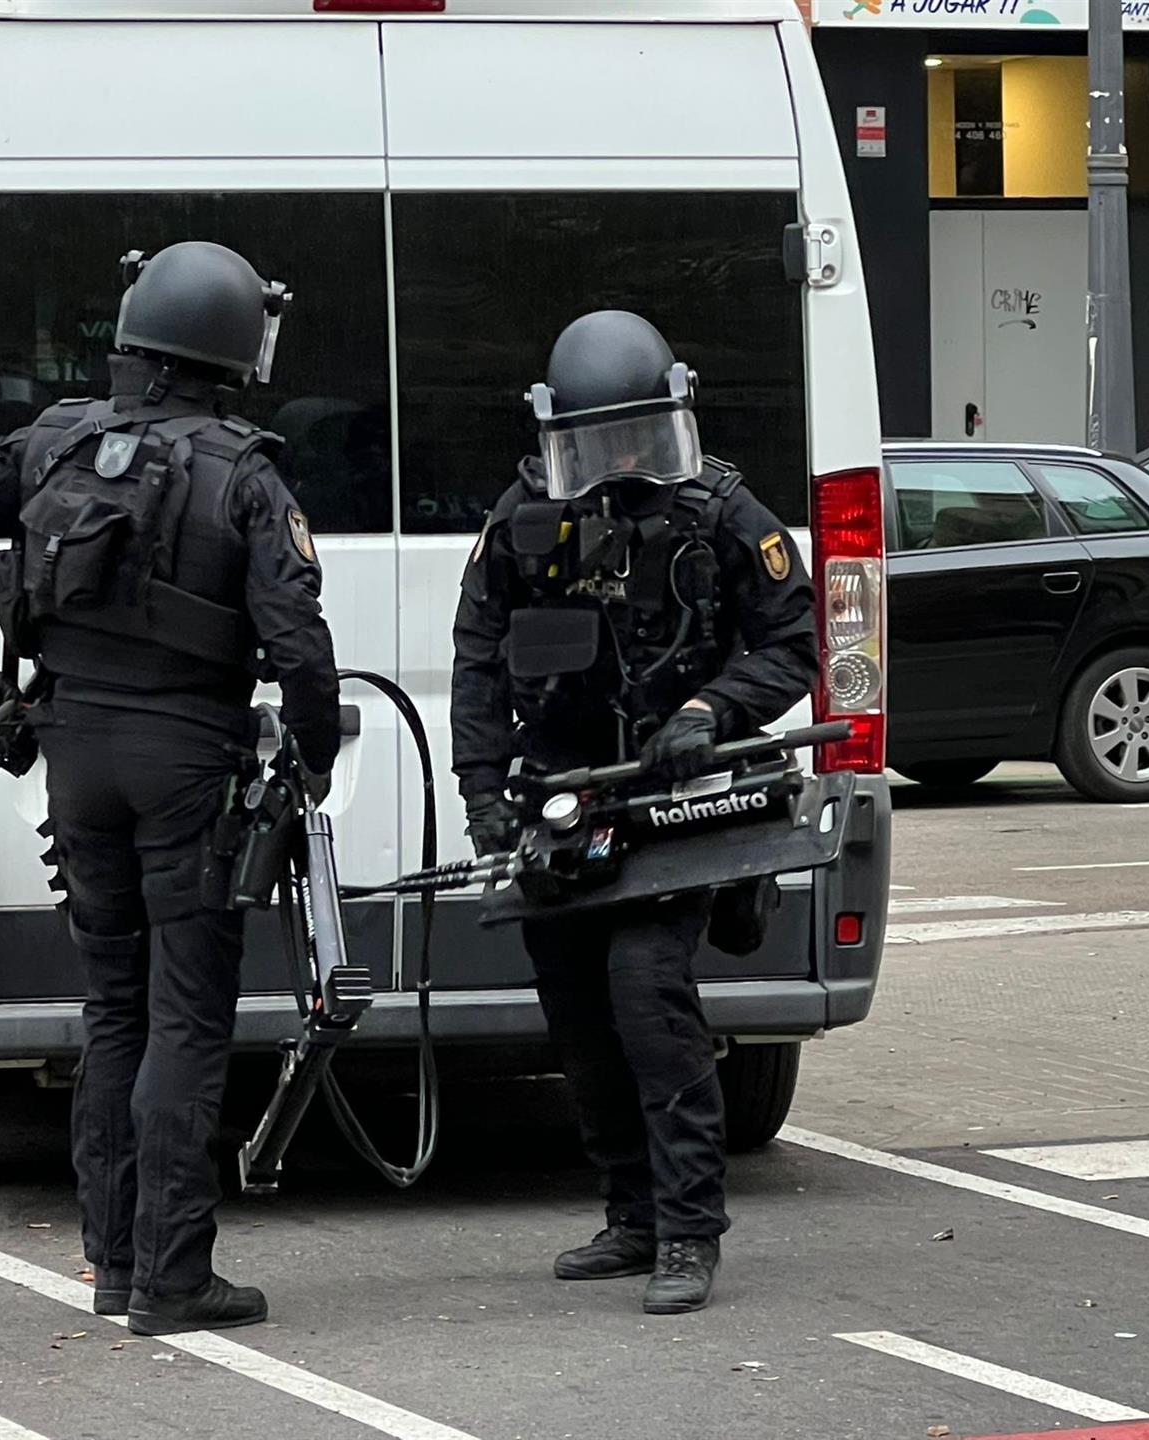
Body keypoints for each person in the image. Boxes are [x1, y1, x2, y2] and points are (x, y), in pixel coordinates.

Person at [0, 241, 340, 1337]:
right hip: (186, 764)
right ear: (233, 347)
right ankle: (174, 1278)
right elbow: (300, 645)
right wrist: (313, 761)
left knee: (112, 1011)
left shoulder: (55, 442)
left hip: (74, 756)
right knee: (186, 1015)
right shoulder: (243, 471)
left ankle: (110, 1263)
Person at [450, 311, 818, 1315]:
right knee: (577, 1014)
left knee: (646, 993)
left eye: (638, 436)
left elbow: (796, 641)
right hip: (565, 799)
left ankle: (689, 1230)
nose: (620, 461)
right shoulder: (525, 519)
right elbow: (478, 664)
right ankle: (631, 1213)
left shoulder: (724, 512)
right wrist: (484, 799)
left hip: (680, 797)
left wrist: (711, 709)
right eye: (598, 441)